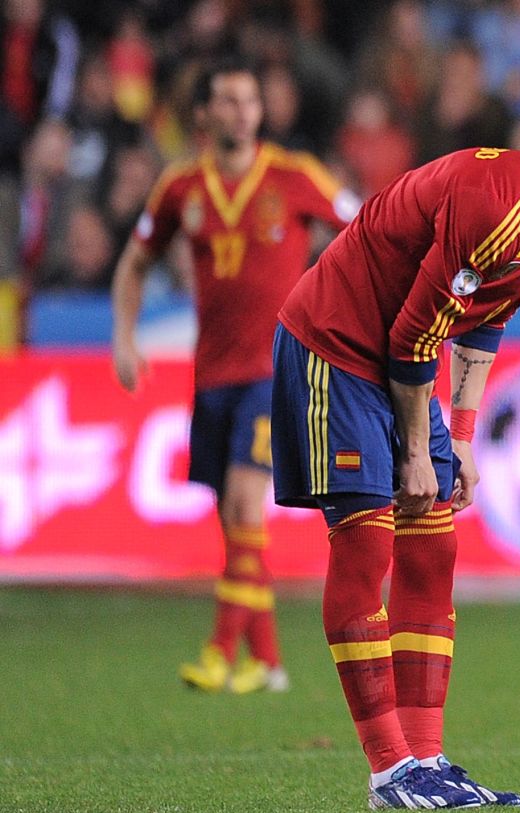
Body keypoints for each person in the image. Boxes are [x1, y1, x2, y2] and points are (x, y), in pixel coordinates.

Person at [270, 91, 520, 810]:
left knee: (434, 549)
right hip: (335, 347)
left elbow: (483, 324)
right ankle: (390, 771)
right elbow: (414, 336)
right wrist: (418, 456)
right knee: (367, 546)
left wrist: (458, 440)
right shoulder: (502, 208)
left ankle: (427, 760)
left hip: (401, 363)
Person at [111, 56, 358, 695]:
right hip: (212, 372)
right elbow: (134, 262)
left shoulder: (296, 176)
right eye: (226, 100)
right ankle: (268, 663)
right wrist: (123, 338)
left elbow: (365, 230)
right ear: (204, 114)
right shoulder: (180, 187)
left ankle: (220, 650)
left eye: (249, 100)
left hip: (276, 369)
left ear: (261, 111)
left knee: (248, 503)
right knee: (233, 521)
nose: (240, 111)